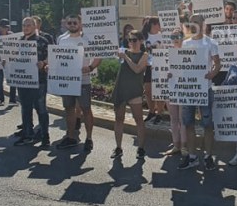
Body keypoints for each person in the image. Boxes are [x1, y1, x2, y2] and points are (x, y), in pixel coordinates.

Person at [178, 14, 222, 171]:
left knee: (207, 124)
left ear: (203, 24)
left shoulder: (211, 43)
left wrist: (212, 74)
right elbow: (181, 64)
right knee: (188, 123)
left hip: (205, 88)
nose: (194, 24)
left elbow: (218, 64)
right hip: (189, 90)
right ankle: (192, 156)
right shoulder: (185, 43)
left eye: (197, 22)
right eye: (192, 22)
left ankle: (208, 156)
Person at [55, 14, 101, 152]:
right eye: (70, 23)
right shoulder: (61, 39)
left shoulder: (87, 39)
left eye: (75, 22)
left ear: (80, 24)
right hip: (67, 81)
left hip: (83, 81)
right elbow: (57, 57)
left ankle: (89, 138)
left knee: (86, 110)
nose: (72, 25)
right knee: (69, 109)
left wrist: (91, 67)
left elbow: (98, 57)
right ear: (66, 24)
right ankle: (70, 137)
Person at [14, 17, 52, 148]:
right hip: (23, 81)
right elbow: (14, 59)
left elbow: (51, 57)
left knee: (41, 108)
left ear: (35, 26)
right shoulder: (18, 41)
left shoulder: (42, 41)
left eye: (29, 25)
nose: (25, 27)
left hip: (39, 80)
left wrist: (44, 63)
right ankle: (27, 134)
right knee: (25, 108)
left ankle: (45, 136)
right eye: (24, 25)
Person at [111, 29, 148, 159]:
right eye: (129, 40)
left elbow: (137, 69)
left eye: (134, 40)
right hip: (121, 89)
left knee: (138, 120)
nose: (131, 42)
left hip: (134, 91)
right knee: (119, 119)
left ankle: (141, 147)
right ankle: (118, 147)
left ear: (141, 41)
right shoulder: (123, 52)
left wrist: (125, 57)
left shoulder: (144, 55)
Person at [164, 29, 187, 156]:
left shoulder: (188, 52)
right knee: (173, 118)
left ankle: (184, 146)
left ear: (183, 37)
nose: (175, 38)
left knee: (182, 119)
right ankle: (176, 145)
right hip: (170, 88)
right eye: (173, 36)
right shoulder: (167, 52)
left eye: (178, 36)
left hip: (183, 88)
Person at [142, 16, 164, 125]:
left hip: (160, 66)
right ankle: (151, 111)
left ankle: (159, 113)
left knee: (159, 90)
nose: (160, 26)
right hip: (148, 66)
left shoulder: (163, 36)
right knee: (148, 90)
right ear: (153, 24)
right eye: (158, 24)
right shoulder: (145, 37)